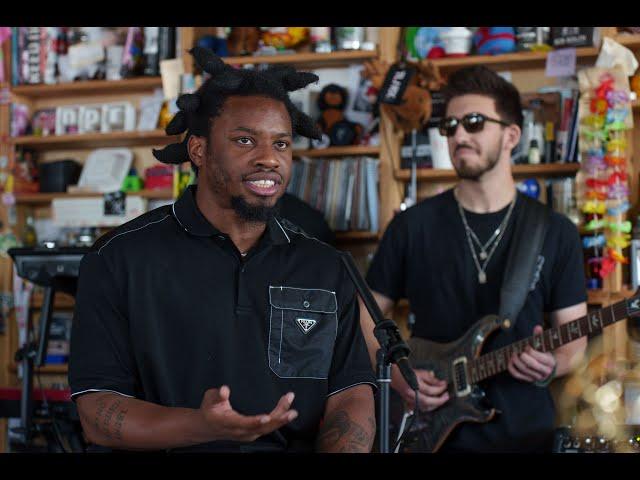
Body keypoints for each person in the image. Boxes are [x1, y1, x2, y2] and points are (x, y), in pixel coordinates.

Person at [68, 47, 376, 453]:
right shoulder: (118, 259)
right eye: (245, 140)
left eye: (281, 144)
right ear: (198, 150)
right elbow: (97, 413)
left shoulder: (326, 267)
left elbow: (351, 395)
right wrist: (201, 426)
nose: (269, 158)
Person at [360, 65, 587, 452]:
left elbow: (574, 337)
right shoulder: (412, 226)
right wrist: (399, 377)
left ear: (512, 135)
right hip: (432, 435)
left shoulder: (554, 230)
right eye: (450, 126)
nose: (459, 135)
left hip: (527, 435)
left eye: (474, 122)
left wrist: (555, 364)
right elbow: (364, 316)